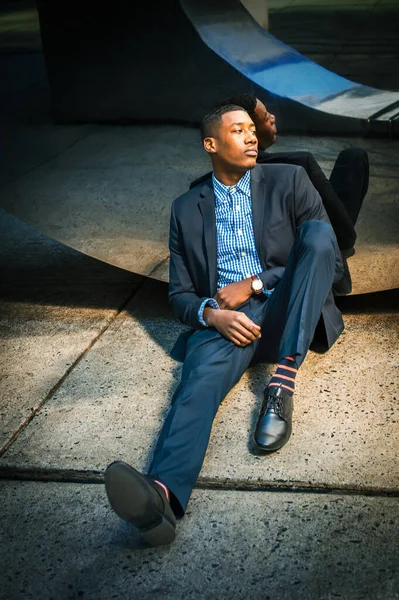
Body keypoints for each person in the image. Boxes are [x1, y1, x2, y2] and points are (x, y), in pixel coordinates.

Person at [105, 104, 344, 547]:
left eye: (253, 130)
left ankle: (282, 384)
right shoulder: (185, 209)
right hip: (227, 323)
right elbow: (179, 296)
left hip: (286, 309)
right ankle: (162, 500)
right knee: (195, 387)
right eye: (239, 130)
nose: (252, 137)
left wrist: (252, 284)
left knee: (317, 234)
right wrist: (214, 313)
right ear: (211, 145)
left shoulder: (288, 180)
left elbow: (327, 260)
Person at [190, 93, 369, 295]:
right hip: (302, 285)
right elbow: (344, 237)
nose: (273, 118)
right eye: (265, 117)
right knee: (353, 158)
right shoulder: (298, 167)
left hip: (238, 291)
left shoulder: (199, 190)